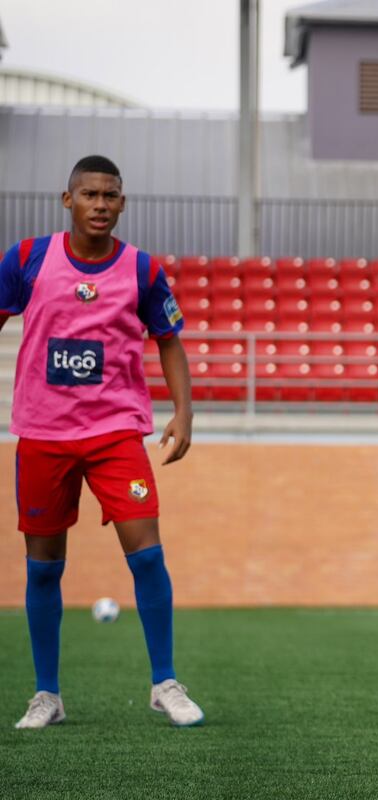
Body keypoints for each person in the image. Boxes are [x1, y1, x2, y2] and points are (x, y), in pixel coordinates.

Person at [0, 155, 204, 729]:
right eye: (89, 194)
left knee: (148, 555)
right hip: (43, 434)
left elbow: (168, 339)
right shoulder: (26, 258)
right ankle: (47, 695)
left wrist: (184, 412)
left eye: (110, 195)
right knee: (43, 569)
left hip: (115, 434)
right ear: (68, 200)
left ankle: (165, 683)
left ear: (122, 203)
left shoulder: (141, 269)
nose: (99, 204)